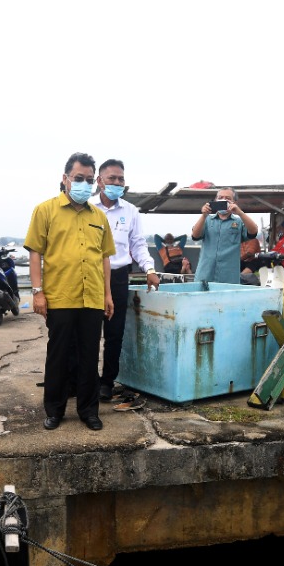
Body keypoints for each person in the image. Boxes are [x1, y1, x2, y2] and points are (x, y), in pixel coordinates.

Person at [24, 152, 115, 431]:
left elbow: (104, 257)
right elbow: (36, 253)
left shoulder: (98, 215)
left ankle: (89, 411)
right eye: (79, 178)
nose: (84, 185)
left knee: (90, 356)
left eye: (89, 180)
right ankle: (54, 409)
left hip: (92, 297)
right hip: (60, 296)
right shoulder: (45, 210)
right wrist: (38, 292)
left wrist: (107, 295)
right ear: (65, 179)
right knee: (59, 355)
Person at [91, 159, 160, 401]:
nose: (117, 183)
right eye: (112, 178)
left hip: (119, 277)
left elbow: (138, 244)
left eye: (121, 179)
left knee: (114, 333)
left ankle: (106, 383)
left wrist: (150, 268)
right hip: (89, 276)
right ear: (100, 181)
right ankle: (83, 381)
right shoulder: (87, 207)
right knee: (85, 333)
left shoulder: (130, 211)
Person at [191, 187, 259, 284]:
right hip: (205, 274)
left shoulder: (239, 222)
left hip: (228, 277)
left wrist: (240, 212)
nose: (223, 200)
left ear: (234, 202)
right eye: (220, 197)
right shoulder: (207, 220)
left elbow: (253, 231)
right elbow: (195, 236)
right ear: (215, 200)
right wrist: (203, 215)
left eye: (227, 198)